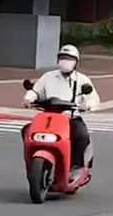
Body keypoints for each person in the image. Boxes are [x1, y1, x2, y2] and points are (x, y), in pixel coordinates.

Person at [23, 44, 100, 180]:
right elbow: (35, 91)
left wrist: (86, 106)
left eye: (69, 59)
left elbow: (94, 99)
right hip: (48, 117)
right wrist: (29, 99)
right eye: (63, 58)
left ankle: (75, 166)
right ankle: (31, 162)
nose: (65, 61)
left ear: (76, 62)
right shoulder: (48, 77)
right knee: (27, 131)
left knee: (81, 135)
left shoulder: (82, 80)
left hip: (70, 118)